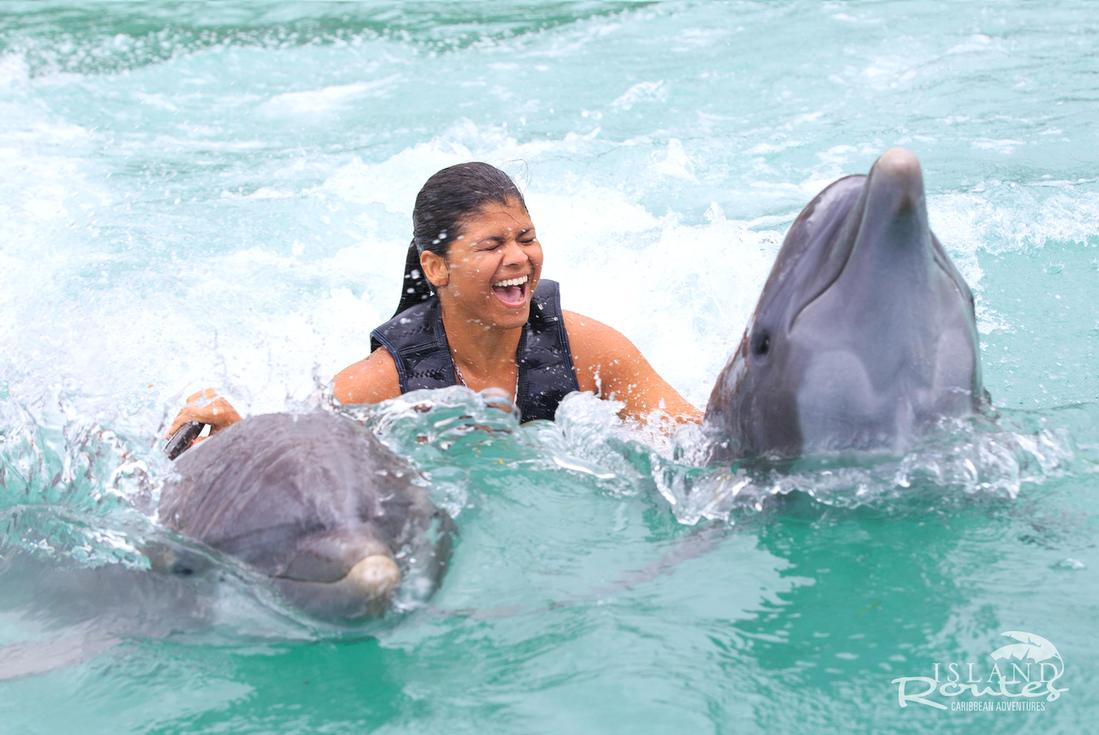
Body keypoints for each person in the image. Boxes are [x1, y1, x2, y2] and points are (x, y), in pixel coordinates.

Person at [165, 162, 700, 449]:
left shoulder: (587, 348)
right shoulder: (382, 384)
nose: (518, 258)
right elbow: (302, 465)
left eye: (526, 237)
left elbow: (692, 439)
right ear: (435, 267)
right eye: (492, 245)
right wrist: (236, 439)